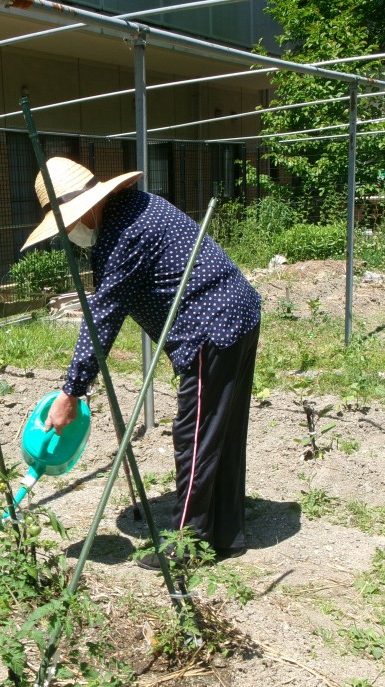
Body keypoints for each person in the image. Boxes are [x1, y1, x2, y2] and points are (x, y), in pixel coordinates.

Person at [22, 157, 261, 568]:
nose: (73, 233)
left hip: (211, 328)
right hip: (237, 315)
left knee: (196, 437)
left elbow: (102, 318)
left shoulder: (122, 234)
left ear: (91, 206)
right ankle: (227, 534)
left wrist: (71, 392)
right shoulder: (136, 207)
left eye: (72, 221)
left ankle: (187, 543)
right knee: (221, 430)